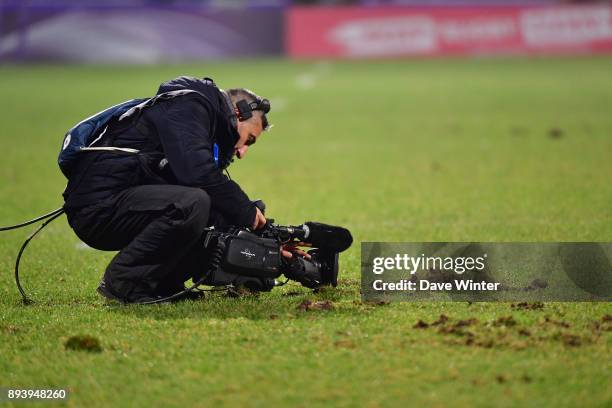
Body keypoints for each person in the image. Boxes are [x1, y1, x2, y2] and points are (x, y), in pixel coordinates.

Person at [62, 76, 305, 304]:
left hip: (122, 200)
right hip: (98, 207)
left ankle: (163, 283)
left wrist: (267, 243)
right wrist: (244, 211)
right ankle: (125, 282)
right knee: (192, 203)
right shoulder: (188, 106)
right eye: (249, 139)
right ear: (238, 113)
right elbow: (197, 173)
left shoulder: (198, 115)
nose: (243, 151)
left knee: (213, 207)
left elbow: (207, 189)